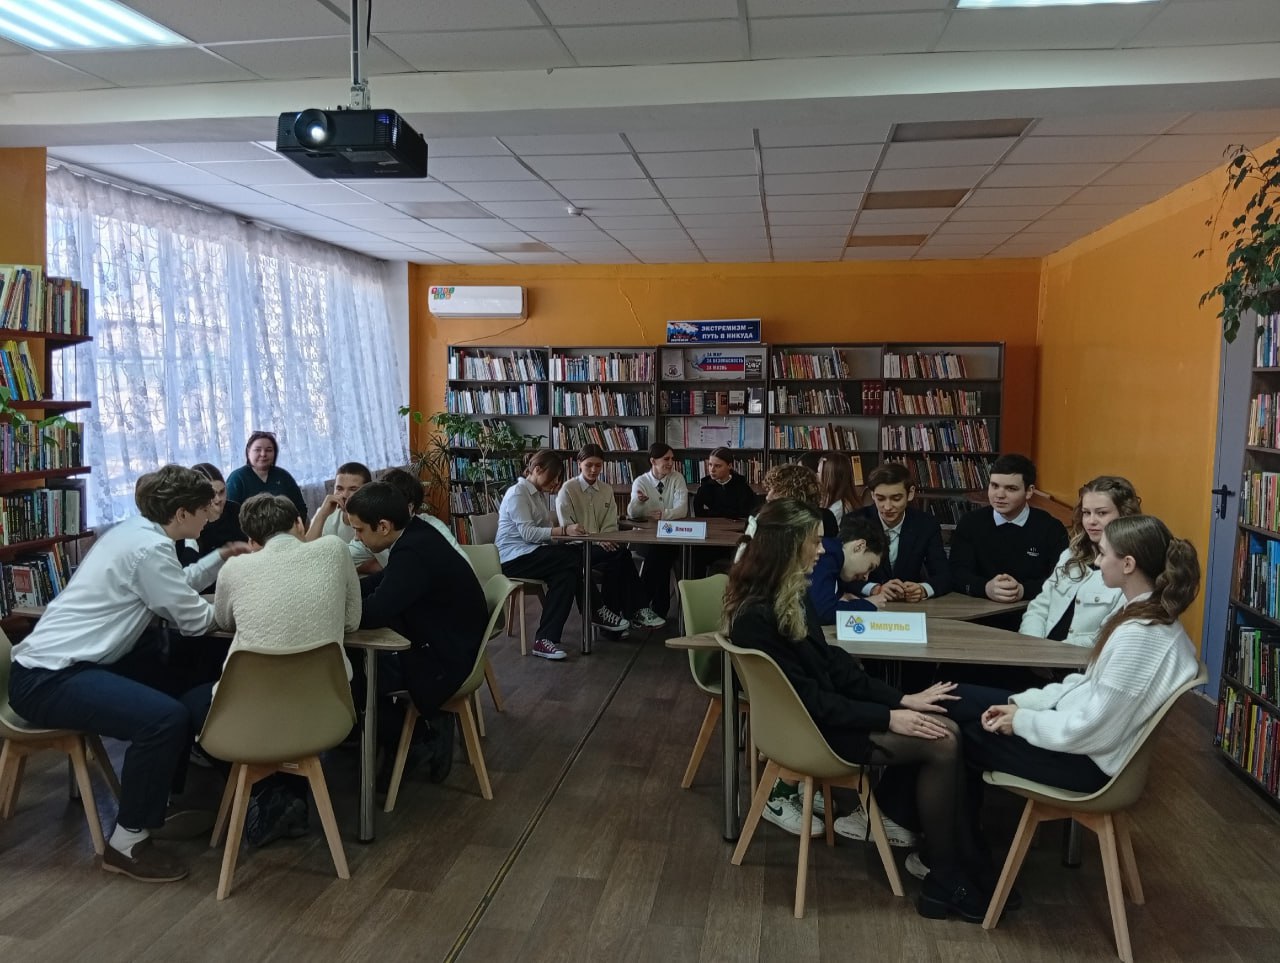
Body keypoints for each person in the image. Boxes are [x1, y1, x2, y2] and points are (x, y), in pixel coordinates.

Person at [724, 498, 994, 922]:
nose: (822, 550)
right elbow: (811, 701)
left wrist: (901, 700)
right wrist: (889, 717)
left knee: (944, 724)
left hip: (828, 715)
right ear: (787, 544)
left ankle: (952, 859)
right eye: (814, 542)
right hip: (812, 731)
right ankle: (945, 877)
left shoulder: (788, 592)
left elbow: (835, 667)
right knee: (943, 740)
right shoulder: (757, 615)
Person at [7, 466, 250, 883]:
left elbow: (174, 584)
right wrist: (244, 606)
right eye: (203, 509)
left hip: (56, 666)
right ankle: (127, 843)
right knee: (164, 718)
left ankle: (153, 802)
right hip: (48, 679)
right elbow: (194, 620)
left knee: (173, 682)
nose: (210, 515)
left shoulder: (135, 533)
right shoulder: (150, 549)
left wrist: (221, 557)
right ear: (181, 513)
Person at [956, 514, 1200, 811]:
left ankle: (952, 838)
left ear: (1128, 564)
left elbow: (1092, 729)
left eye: (1103, 553)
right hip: (1080, 738)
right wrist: (1024, 705)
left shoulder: (1142, 636)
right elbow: (1087, 687)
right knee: (954, 696)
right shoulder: (1142, 614)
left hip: (1087, 764)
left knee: (956, 733)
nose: (1097, 562)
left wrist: (1020, 721)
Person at [199, 493, 361, 846]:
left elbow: (224, 620)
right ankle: (284, 798)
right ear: (300, 524)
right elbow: (351, 621)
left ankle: (269, 794)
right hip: (327, 711)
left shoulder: (235, 568)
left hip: (248, 718)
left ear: (253, 540)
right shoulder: (334, 550)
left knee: (191, 706)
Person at [347, 481, 489, 780]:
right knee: (356, 668)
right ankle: (408, 736)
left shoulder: (413, 552)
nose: (356, 537)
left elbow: (374, 612)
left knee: (351, 681)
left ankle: (415, 738)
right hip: (450, 641)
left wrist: (337, 608)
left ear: (383, 526)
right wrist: (344, 592)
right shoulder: (417, 534)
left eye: (359, 530)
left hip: (444, 658)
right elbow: (383, 582)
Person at [1019, 476, 1141, 647]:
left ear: (1124, 514)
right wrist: (1032, 645)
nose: (1091, 521)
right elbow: (1039, 607)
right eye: (1086, 513)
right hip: (1037, 653)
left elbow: (1106, 637)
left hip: (1078, 659)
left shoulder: (1130, 569)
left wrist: (1051, 653)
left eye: (1101, 513)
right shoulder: (1070, 555)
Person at [556, 444, 666, 631]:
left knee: (617, 562)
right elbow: (569, 529)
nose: (593, 470)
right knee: (621, 555)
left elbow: (610, 524)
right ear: (579, 463)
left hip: (603, 547)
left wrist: (605, 539)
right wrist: (598, 540)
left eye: (598, 465)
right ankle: (637, 610)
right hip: (577, 547)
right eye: (589, 465)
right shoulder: (568, 489)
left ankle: (613, 626)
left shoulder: (606, 489)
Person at [497, 449, 592, 661]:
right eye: (553, 477)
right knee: (572, 556)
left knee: (566, 576)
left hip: (531, 553)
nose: (556, 483)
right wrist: (564, 531)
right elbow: (528, 534)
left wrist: (564, 536)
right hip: (512, 558)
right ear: (537, 470)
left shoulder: (537, 495)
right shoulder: (518, 493)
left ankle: (544, 640)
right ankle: (595, 610)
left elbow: (544, 533)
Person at [949, 453, 1068, 604]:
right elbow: (956, 573)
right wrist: (985, 588)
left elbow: (1062, 580)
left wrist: (1023, 590)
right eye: (994, 486)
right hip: (979, 608)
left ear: (1029, 491)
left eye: (1011, 488)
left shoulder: (1051, 528)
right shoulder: (970, 523)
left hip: (1032, 608)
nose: (999, 495)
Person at [848, 462, 952, 602]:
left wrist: (923, 589)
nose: (887, 507)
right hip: (867, 603)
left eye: (896, 498)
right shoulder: (855, 522)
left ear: (910, 493)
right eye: (880, 498)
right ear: (872, 494)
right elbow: (840, 574)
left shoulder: (926, 524)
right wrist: (874, 588)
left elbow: (944, 575)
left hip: (910, 605)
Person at [349, 468, 466, 573]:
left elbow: (463, 569)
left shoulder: (431, 531)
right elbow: (343, 556)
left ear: (409, 507)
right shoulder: (373, 530)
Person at [627, 442, 689, 621]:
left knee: (661, 554)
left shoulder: (677, 478)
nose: (670, 463)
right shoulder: (641, 481)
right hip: (645, 538)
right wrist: (639, 502)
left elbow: (682, 509)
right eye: (666, 459)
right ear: (653, 461)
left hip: (672, 538)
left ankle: (640, 606)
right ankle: (658, 608)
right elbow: (633, 514)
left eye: (672, 459)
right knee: (660, 555)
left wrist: (663, 514)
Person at [808, 512, 889, 625]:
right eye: (870, 567)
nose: (866, 577)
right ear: (859, 546)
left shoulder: (835, 558)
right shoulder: (827, 555)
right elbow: (823, 612)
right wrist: (869, 604)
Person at [225, 431, 308, 524]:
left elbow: (300, 508)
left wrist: (295, 528)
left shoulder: (283, 476)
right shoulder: (237, 478)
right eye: (257, 450)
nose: (263, 454)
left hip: (286, 530)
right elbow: (229, 516)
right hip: (248, 532)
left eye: (269, 450)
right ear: (248, 452)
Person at [304, 461, 371, 543]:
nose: (345, 495)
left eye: (353, 489)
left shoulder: (376, 519)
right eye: (339, 488)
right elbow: (307, 549)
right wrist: (321, 515)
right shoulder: (326, 513)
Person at [693, 447, 757, 519]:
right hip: (712, 524)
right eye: (710, 465)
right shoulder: (705, 487)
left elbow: (747, 513)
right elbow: (699, 513)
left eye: (717, 466)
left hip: (736, 524)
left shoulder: (741, 486)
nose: (712, 470)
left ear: (729, 466)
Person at [818, 452, 861, 524]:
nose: (816, 476)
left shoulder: (837, 508)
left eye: (818, 472)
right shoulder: (834, 502)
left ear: (830, 478)